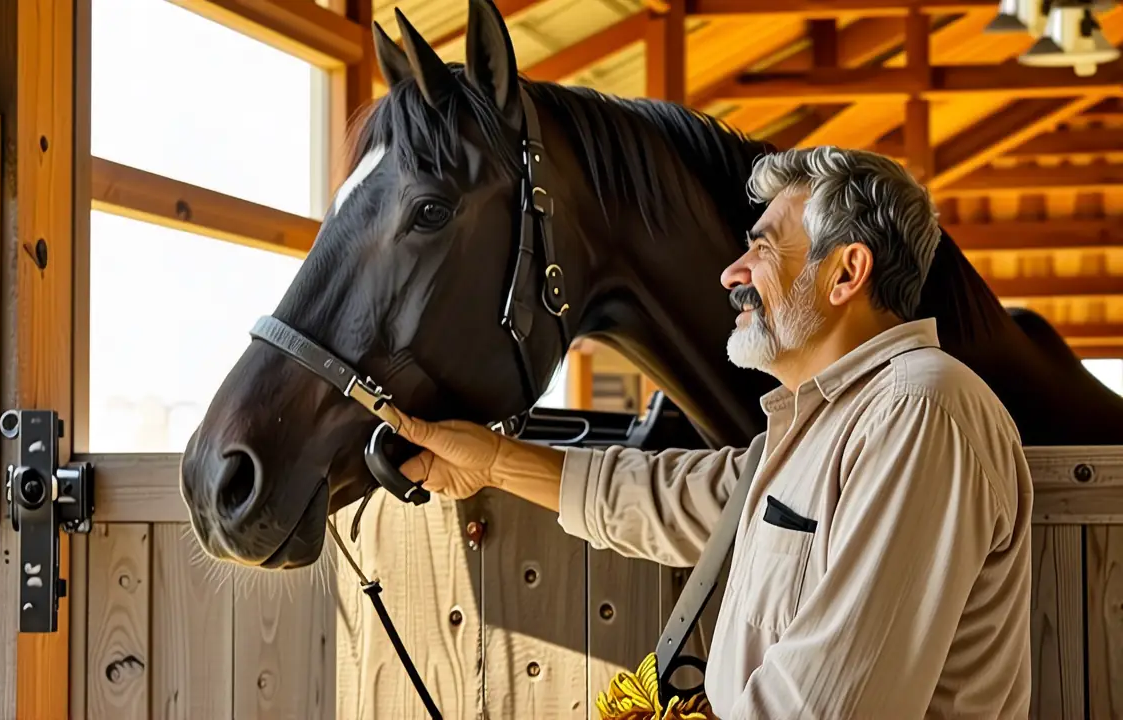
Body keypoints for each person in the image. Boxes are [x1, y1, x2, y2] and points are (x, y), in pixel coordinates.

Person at [390, 146, 1033, 720]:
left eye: (763, 248)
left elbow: (825, 707)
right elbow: (667, 500)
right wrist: (492, 462)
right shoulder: (826, 423)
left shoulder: (917, 410)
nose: (732, 273)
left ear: (846, 273)